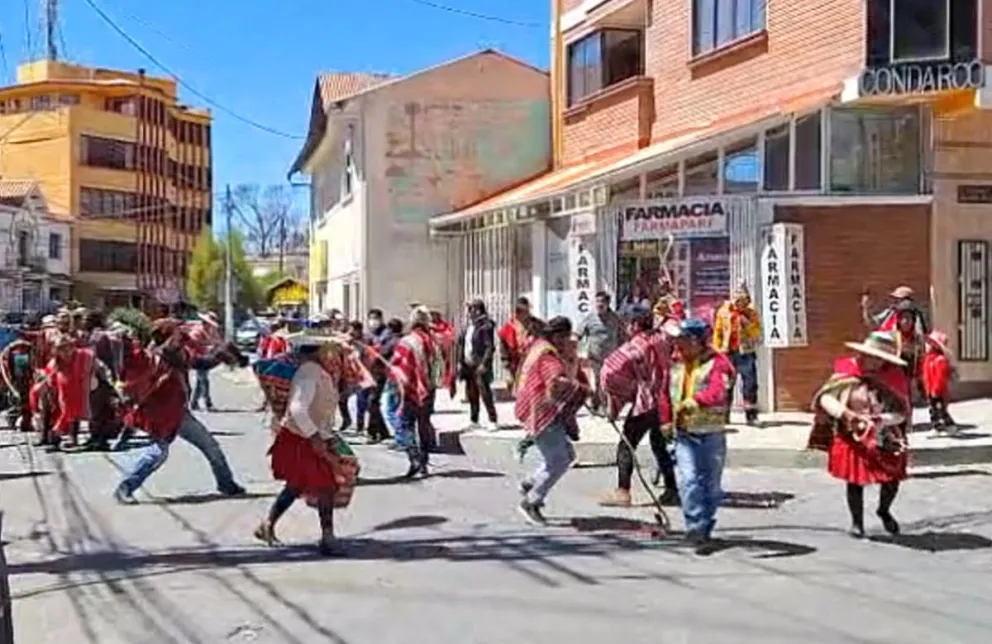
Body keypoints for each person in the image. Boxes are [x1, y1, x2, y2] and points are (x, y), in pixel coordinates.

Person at [254, 331, 371, 556]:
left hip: (311, 434)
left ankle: (267, 524)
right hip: (301, 437)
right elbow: (298, 409)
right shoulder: (309, 373)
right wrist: (314, 437)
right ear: (319, 351)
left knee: (298, 484)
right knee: (325, 484)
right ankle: (327, 537)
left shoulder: (318, 372)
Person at [808, 331, 910, 538]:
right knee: (854, 480)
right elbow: (826, 398)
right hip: (852, 435)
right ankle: (857, 522)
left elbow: (901, 412)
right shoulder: (846, 373)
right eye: (868, 355)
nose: (870, 361)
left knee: (891, 479)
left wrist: (881, 420)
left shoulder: (893, 379)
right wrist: (846, 414)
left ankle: (884, 510)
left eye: (877, 358)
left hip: (885, 436)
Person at [659, 318, 735, 553]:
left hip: (711, 433)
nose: (678, 345)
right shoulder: (675, 363)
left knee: (711, 485)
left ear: (697, 341)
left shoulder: (719, 363)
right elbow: (664, 393)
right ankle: (695, 527)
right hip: (684, 433)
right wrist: (664, 421)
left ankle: (704, 526)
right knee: (689, 481)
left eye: (683, 340)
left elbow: (718, 391)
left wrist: (696, 401)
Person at [598, 307, 679, 507]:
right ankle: (672, 489)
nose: (626, 327)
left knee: (626, 445)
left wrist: (615, 400)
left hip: (646, 403)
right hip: (664, 401)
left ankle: (623, 492)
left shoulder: (633, 348)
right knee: (659, 446)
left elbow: (609, 372)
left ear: (634, 325)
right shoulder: (661, 340)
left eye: (628, 323)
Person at [515, 316, 589, 525]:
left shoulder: (540, 347)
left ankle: (530, 482)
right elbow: (556, 384)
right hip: (542, 412)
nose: (569, 343)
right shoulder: (549, 357)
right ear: (558, 336)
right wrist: (582, 391)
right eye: (566, 338)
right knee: (559, 461)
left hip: (536, 409)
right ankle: (532, 501)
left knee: (565, 454)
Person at [113, 322, 190, 503]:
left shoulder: (177, 355)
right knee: (158, 452)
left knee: (209, 446)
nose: (181, 336)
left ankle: (226, 483)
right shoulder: (153, 358)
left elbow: (197, 360)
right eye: (177, 333)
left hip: (177, 411)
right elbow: (139, 384)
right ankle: (126, 486)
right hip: (159, 413)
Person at [390, 307, 437, 478]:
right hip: (429, 389)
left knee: (404, 423)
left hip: (410, 390)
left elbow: (399, 366)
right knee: (424, 424)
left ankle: (415, 458)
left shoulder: (407, 341)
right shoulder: (433, 342)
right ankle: (424, 463)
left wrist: (398, 380)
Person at [712, 282, 761, 425]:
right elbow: (718, 331)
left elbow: (756, 332)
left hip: (746, 353)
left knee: (750, 384)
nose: (741, 304)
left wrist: (747, 323)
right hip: (728, 353)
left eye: (745, 301)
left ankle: (751, 416)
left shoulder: (751, 314)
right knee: (726, 384)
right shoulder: (723, 312)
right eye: (739, 301)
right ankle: (724, 415)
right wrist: (718, 349)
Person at [576, 291, 625, 414]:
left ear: (608, 303)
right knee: (598, 382)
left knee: (609, 382)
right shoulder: (590, 318)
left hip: (612, 358)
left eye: (602, 302)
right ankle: (596, 404)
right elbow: (578, 334)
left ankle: (608, 407)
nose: (599, 304)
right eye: (597, 301)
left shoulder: (615, 319)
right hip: (595, 357)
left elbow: (622, 336)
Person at [455, 299, 498, 430]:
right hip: (468, 364)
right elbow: (463, 345)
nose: (469, 312)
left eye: (472, 309)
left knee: (484, 392)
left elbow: (489, 347)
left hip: (479, 364)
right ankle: (474, 419)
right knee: (471, 393)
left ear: (478, 310)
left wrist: (484, 363)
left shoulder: (485, 326)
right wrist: (460, 362)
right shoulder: (469, 327)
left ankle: (492, 419)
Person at [921, 330, 955, 431]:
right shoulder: (928, 359)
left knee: (941, 409)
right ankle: (937, 427)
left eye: (930, 344)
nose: (927, 346)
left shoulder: (940, 360)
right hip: (930, 390)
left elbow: (940, 377)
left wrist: (936, 389)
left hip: (938, 391)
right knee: (933, 410)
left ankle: (950, 425)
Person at [188, 311, 222, 411]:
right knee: (204, 380)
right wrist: (208, 344)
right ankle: (208, 403)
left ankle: (193, 403)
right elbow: (194, 343)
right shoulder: (197, 331)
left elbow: (217, 340)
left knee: (200, 380)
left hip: (204, 358)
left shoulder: (208, 332)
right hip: (197, 358)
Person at [861, 285, 929, 335]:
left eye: (898, 299)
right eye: (895, 299)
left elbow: (921, 335)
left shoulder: (917, 317)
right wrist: (866, 308)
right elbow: (872, 324)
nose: (895, 301)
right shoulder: (890, 312)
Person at [498, 297, 532, 392]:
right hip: (516, 363)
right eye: (521, 311)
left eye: (526, 310)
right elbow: (503, 346)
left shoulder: (534, 324)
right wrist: (506, 363)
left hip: (532, 361)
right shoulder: (509, 327)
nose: (525, 313)